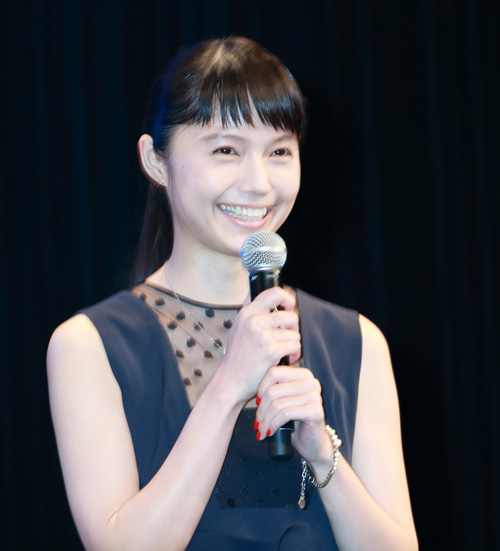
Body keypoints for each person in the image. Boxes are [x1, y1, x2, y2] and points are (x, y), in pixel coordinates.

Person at [47, 37, 418, 551]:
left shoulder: (356, 342)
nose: (259, 183)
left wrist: (322, 454)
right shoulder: (90, 345)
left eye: (279, 152)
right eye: (226, 150)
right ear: (155, 161)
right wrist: (228, 386)